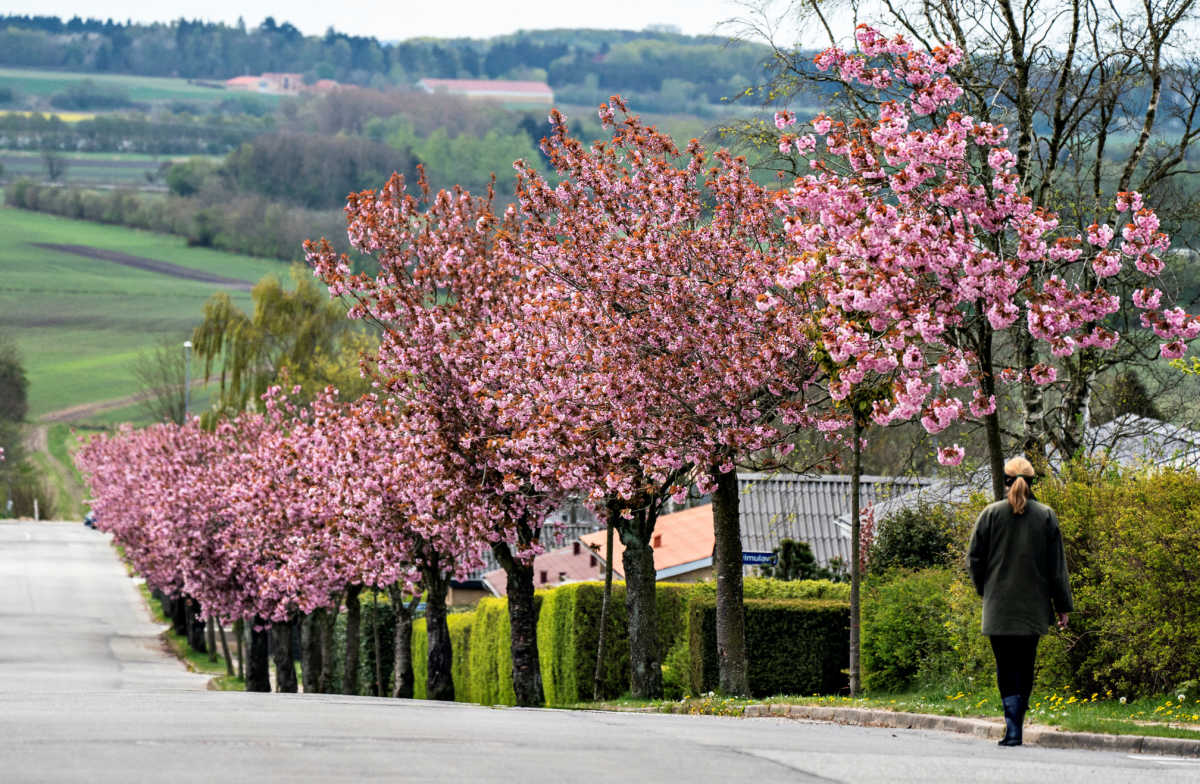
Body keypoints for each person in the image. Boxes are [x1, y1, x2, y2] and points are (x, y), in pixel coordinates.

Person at [967, 456, 1073, 747]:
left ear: (1005, 481)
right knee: (1025, 666)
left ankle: (1011, 728)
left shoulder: (990, 514)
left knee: (1005, 666)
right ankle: (1017, 729)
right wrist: (1062, 606)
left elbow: (974, 559)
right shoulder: (1046, 516)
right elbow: (1057, 568)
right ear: (1034, 482)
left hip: (998, 607)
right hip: (1033, 608)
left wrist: (984, 589)